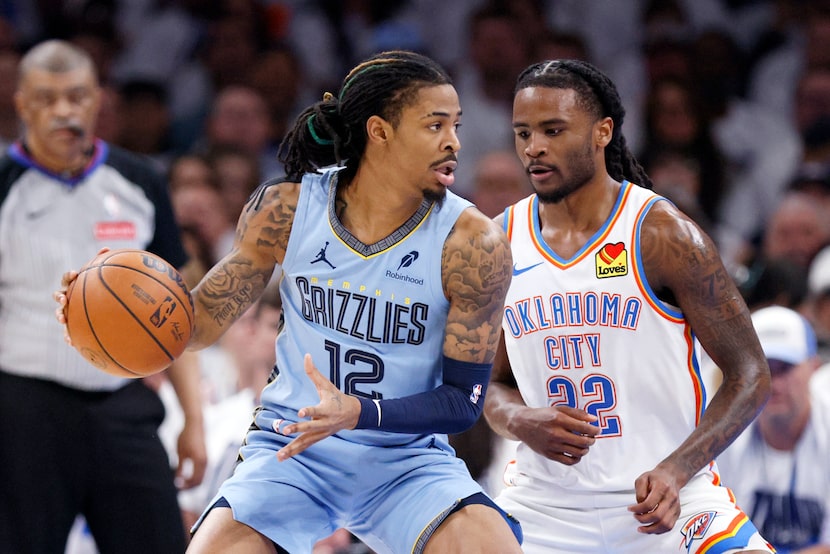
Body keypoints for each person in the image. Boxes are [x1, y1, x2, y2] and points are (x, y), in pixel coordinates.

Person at [56, 49, 522, 554]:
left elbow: (462, 402)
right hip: (292, 449)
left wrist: (359, 412)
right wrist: (104, 312)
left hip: (406, 461)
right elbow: (201, 321)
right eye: (434, 126)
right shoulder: (286, 208)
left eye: (455, 125)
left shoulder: (473, 243)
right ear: (380, 131)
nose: (454, 141)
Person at [483, 58, 773, 553]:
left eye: (553, 130)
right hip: (545, 510)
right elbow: (490, 386)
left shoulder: (661, 234)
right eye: (524, 132)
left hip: (672, 501)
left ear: (603, 131)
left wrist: (678, 468)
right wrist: (519, 420)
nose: (534, 148)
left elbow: (751, 373)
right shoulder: (498, 241)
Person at [0, 39, 207, 553]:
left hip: (124, 402)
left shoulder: (139, 181)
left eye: (75, 96)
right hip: (23, 407)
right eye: (46, 99)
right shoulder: (4, 186)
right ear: (21, 103)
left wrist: (194, 422)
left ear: (97, 100)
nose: (63, 110)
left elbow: (177, 310)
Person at [717, 305, 830, 553]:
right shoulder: (722, 436)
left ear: (813, 367)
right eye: (764, 369)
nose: (774, 384)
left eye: (785, 369)